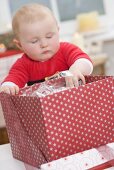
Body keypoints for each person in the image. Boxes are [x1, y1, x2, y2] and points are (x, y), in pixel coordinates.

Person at [0, 3, 93, 95]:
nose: (44, 44)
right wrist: (8, 86)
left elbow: (86, 62)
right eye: (34, 41)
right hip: (44, 108)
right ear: (20, 45)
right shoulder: (23, 64)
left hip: (74, 100)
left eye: (49, 37)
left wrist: (76, 69)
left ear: (58, 31)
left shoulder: (65, 50)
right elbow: (12, 79)